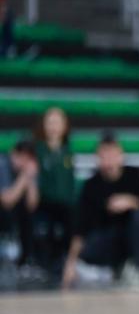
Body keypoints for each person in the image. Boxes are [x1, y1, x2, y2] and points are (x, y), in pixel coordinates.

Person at [62, 134, 139, 288]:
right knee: (91, 249)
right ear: (97, 158)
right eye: (104, 155)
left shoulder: (136, 176)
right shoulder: (91, 185)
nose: (108, 159)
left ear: (121, 155)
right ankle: (114, 269)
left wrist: (130, 201)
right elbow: (80, 227)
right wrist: (71, 263)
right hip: (107, 238)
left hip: (136, 235)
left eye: (112, 154)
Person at [33, 106, 75, 275]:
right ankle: (44, 262)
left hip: (65, 203)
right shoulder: (38, 149)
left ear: (65, 126)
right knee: (47, 226)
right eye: (50, 122)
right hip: (44, 202)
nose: (54, 126)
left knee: (72, 220)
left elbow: (69, 181)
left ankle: (65, 260)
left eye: (57, 122)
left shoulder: (68, 151)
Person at [0, 140, 38, 272]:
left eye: (27, 158)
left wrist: (30, 180)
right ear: (13, 153)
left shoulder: (30, 170)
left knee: (29, 215)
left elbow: (32, 204)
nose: (23, 161)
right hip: (3, 211)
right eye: (20, 156)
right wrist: (24, 178)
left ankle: (27, 260)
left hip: (17, 212)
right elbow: (7, 201)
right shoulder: (2, 164)